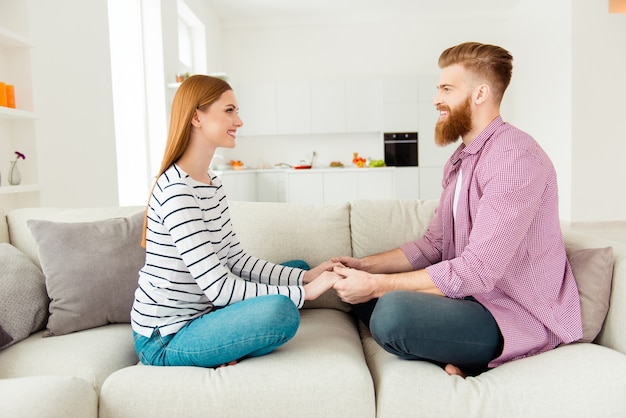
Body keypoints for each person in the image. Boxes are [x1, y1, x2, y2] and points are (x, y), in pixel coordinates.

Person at [332, 42, 583, 377]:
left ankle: (469, 358)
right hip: (468, 300)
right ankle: (454, 357)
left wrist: (378, 286)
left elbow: (478, 271)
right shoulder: (460, 161)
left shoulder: (515, 159)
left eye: (446, 89)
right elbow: (433, 246)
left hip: (512, 313)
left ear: (479, 94)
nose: (436, 99)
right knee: (358, 294)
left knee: (392, 312)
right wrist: (365, 267)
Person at [131, 75, 341, 368]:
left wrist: (307, 277)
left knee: (298, 268)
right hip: (166, 337)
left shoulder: (211, 183)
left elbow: (236, 259)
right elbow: (219, 288)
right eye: (229, 110)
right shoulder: (177, 192)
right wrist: (306, 293)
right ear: (196, 117)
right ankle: (222, 345)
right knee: (281, 311)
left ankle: (228, 341)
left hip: (205, 312)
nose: (239, 121)